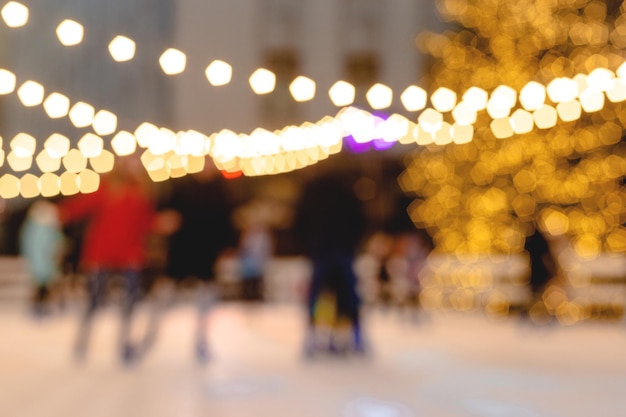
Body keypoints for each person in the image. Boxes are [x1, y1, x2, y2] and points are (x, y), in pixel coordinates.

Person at [58, 155, 160, 364]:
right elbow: (78, 207)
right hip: (101, 255)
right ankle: (82, 342)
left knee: (129, 303)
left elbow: (147, 222)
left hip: (130, 256)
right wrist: (60, 213)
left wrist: (161, 224)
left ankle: (123, 343)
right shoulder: (105, 189)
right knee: (94, 301)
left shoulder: (141, 194)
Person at [159, 159, 238, 363]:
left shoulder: (221, 192)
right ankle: (146, 339)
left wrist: (226, 247)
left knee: (206, 302)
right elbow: (166, 216)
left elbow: (227, 222)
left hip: (206, 254)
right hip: (181, 252)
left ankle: (201, 341)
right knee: (164, 298)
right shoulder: (182, 188)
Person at [293, 168, 368, 357]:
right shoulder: (347, 192)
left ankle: (315, 335)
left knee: (321, 296)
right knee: (346, 295)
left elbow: (299, 222)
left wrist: (309, 246)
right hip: (339, 251)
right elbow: (359, 221)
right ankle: (353, 335)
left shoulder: (313, 193)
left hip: (323, 251)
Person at [19, 199, 65, 317]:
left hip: (43, 263)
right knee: (44, 286)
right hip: (45, 263)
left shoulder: (33, 227)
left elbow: (26, 243)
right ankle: (44, 306)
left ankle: (43, 306)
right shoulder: (43, 227)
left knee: (43, 286)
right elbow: (57, 242)